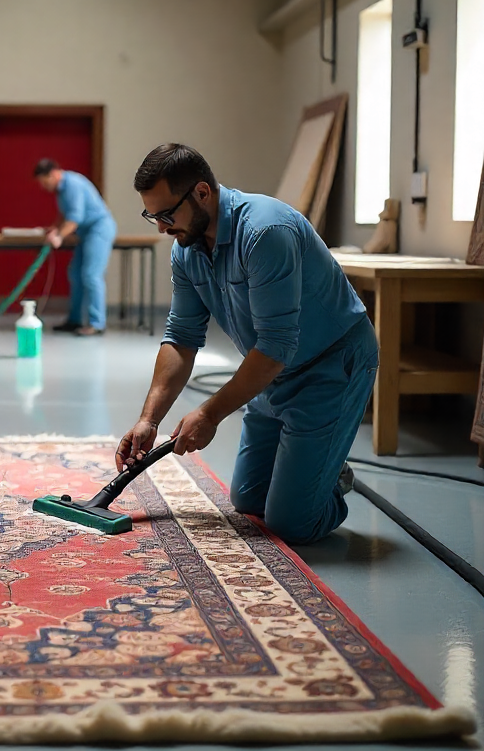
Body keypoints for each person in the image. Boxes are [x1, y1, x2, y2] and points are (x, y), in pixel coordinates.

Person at [117, 143, 378, 545]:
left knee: (292, 525)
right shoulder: (186, 250)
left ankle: (332, 476)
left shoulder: (265, 233)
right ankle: (316, 465)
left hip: (331, 366)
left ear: (202, 193)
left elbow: (275, 346)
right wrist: (149, 418)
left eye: (167, 215)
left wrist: (209, 412)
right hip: (272, 373)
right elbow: (182, 339)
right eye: (152, 216)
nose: (161, 228)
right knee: (249, 501)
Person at [34, 158, 117, 336]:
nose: (44, 187)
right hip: (84, 233)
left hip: (99, 228)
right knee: (75, 274)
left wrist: (59, 236)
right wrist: (55, 228)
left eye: (45, 181)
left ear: (54, 173)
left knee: (91, 274)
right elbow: (65, 214)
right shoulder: (60, 190)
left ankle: (97, 323)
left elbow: (74, 218)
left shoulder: (73, 185)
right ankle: (74, 320)